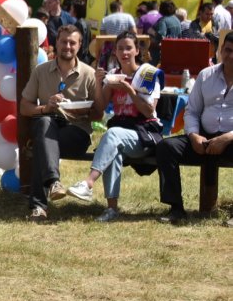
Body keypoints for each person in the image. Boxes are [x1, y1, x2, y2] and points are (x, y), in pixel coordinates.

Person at [66, 32, 162, 222]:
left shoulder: (147, 74)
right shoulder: (114, 76)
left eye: (128, 48)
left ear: (137, 50)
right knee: (113, 150)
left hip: (144, 135)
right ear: (115, 52)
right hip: (121, 135)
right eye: (120, 48)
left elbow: (150, 112)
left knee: (112, 134)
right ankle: (112, 209)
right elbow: (99, 109)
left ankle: (88, 182)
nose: (124, 52)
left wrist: (131, 91)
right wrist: (100, 83)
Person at [19, 25, 99, 222]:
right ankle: (53, 184)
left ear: (80, 45)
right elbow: (24, 107)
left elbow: (98, 114)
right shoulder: (41, 70)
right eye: (64, 41)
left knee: (42, 139)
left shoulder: (89, 74)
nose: (68, 46)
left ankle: (39, 204)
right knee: (44, 124)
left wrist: (82, 111)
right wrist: (46, 107)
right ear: (56, 43)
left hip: (77, 131)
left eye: (73, 42)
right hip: (49, 125)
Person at [155, 32, 233, 224]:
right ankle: (176, 208)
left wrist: (227, 138)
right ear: (221, 51)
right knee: (166, 147)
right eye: (228, 50)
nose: (231, 56)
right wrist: (193, 135)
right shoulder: (206, 75)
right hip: (203, 139)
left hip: (231, 140)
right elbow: (191, 111)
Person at [150, 0, 181, 66]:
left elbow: (161, 36)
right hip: (176, 51)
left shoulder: (163, 21)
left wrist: (151, 43)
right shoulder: (177, 20)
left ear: (161, 9)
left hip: (164, 52)